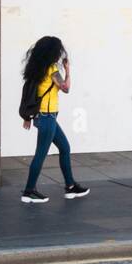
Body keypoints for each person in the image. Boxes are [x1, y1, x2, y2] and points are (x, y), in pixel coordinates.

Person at [20, 36, 89, 204]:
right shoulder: (51, 70)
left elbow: (29, 93)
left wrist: (28, 116)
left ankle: (70, 186)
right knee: (40, 154)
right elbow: (66, 88)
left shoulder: (36, 69)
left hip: (45, 117)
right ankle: (29, 191)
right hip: (47, 117)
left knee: (65, 148)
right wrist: (68, 70)